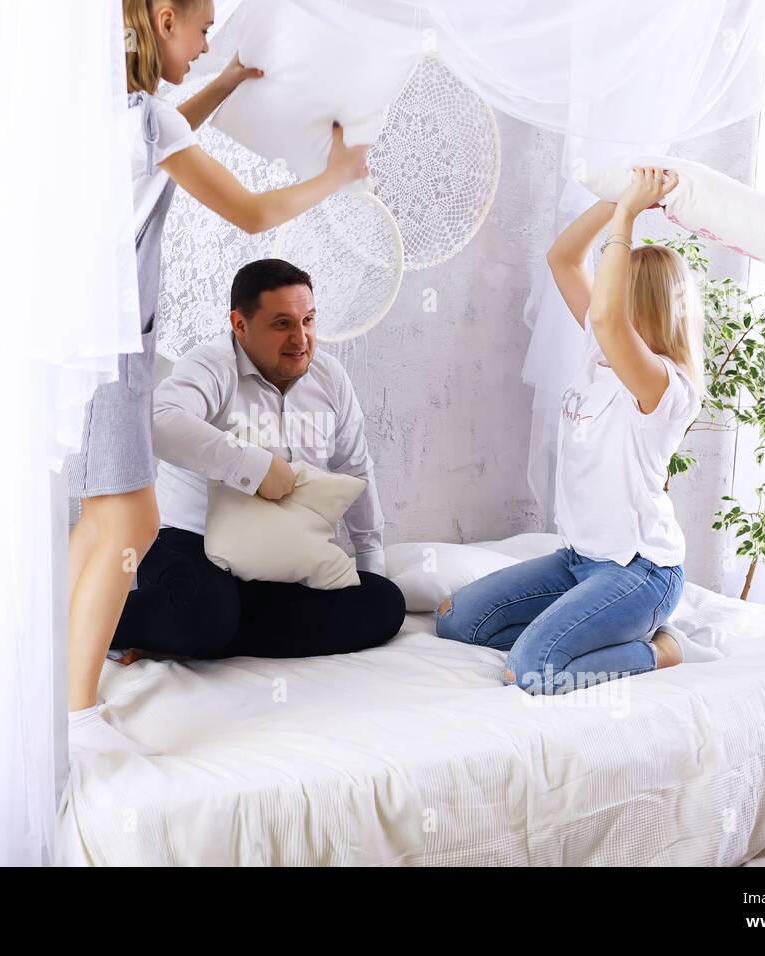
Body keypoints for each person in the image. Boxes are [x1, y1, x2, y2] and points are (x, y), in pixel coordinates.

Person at [67, 0, 373, 755]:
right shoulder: (147, 118)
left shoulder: (115, 111)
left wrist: (231, 79)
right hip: (114, 349)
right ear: (165, 19)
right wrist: (335, 176)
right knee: (130, 525)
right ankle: (74, 713)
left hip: (82, 343)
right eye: (205, 30)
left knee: (101, 521)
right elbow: (254, 214)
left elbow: (166, 131)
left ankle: (61, 674)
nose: (206, 46)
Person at [434, 166, 706, 695]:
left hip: (638, 571)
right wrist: (618, 200)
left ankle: (658, 650)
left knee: (530, 671)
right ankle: (577, 631)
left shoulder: (663, 385)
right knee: (454, 620)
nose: (604, 298)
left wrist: (627, 218)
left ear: (637, 305)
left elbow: (606, 318)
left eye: (616, 290)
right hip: (578, 559)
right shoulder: (598, 352)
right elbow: (562, 259)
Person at [109, 258, 406, 662]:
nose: (301, 339)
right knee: (207, 615)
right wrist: (256, 467)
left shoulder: (330, 377)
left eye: (309, 320)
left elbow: (354, 466)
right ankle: (135, 623)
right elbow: (157, 422)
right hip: (193, 544)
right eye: (282, 324)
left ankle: (187, 631)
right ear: (240, 324)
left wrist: (369, 560)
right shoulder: (210, 365)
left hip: (283, 553)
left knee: (383, 604)